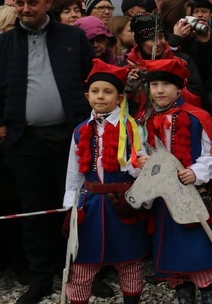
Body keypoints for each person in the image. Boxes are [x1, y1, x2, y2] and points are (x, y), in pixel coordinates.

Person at [0, 0, 94, 303]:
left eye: (32, 3)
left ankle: (79, 274)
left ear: (48, 2)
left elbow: (90, 79)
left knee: (75, 209)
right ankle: (41, 278)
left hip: (71, 139)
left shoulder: (74, 37)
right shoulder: (5, 43)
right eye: (20, 3)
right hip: (25, 142)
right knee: (34, 212)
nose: (25, 9)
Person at [140, 58, 212, 304]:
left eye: (166, 84)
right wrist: (143, 162)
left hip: (194, 197)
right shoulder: (147, 120)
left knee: (200, 253)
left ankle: (209, 298)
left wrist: (196, 172)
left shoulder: (199, 117)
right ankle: (184, 298)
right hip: (164, 202)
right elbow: (142, 152)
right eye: (154, 84)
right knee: (174, 258)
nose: (159, 90)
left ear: (179, 88)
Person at [63, 60, 147, 304]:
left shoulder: (132, 128)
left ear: (119, 97)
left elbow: (140, 168)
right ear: (87, 95)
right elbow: (73, 171)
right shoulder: (80, 130)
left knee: (129, 263)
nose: (101, 97)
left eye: (108, 91)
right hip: (89, 207)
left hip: (121, 204)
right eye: (96, 91)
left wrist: (137, 190)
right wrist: (71, 207)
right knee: (82, 265)